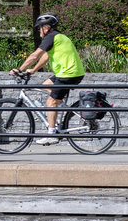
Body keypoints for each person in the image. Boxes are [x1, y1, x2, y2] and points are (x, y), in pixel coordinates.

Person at [10, 13, 85, 146]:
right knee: (46, 85)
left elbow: (34, 56)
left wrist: (19, 70)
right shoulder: (59, 37)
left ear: (46, 27)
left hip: (68, 74)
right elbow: (45, 57)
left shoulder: (51, 37)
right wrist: (33, 70)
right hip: (70, 73)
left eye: (39, 27)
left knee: (51, 101)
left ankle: (52, 134)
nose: (39, 30)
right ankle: (59, 105)